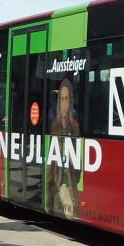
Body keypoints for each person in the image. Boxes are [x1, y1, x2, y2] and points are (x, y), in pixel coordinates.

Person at [48, 78, 80, 219]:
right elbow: (51, 158)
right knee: (70, 215)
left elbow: (78, 160)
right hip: (58, 181)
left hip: (70, 182)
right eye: (62, 99)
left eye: (67, 99)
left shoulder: (75, 127)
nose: (64, 103)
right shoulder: (55, 125)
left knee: (73, 214)